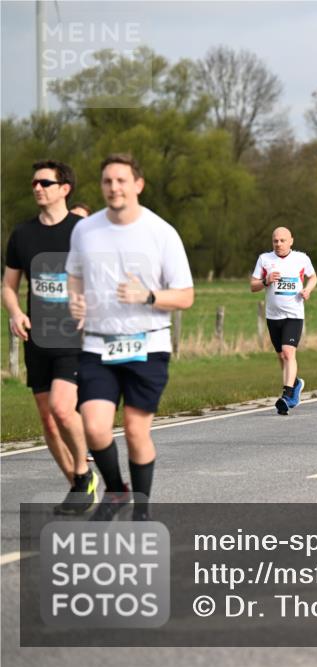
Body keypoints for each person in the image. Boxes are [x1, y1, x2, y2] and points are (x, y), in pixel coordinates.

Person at [67, 153, 194, 520]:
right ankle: (117, 491)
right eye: (107, 181)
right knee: (94, 426)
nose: (113, 187)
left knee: (136, 431)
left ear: (138, 185)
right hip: (97, 344)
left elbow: (185, 295)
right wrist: (76, 300)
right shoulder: (85, 230)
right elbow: (74, 273)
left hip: (148, 344)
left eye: (121, 180)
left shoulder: (161, 233)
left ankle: (141, 507)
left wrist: (148, 296)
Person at [2, 160, 92, 514]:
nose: (37, 188)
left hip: (73, 337)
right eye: (34, 183)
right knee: (47, 421)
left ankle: (84, 475)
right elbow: (8, 286)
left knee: (61, 408)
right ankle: (79, 487)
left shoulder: (85, 231)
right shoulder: (22, 235)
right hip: (36, 338)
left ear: (64, 188)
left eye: (45, 182)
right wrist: (15, 312)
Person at [250, 227, 317, 415]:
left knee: (288, 353)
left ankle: (287, 395)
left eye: (282, 240)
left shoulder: (301, 258)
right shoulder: (265, 259)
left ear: (291, 241)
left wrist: (308, 290)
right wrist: (266, 281)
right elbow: (252, 286)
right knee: (281, 356)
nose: (278, 244)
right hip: (273, 316)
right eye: (275, 241)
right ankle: (295, 383)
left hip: (294, 314)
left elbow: (313, 277)